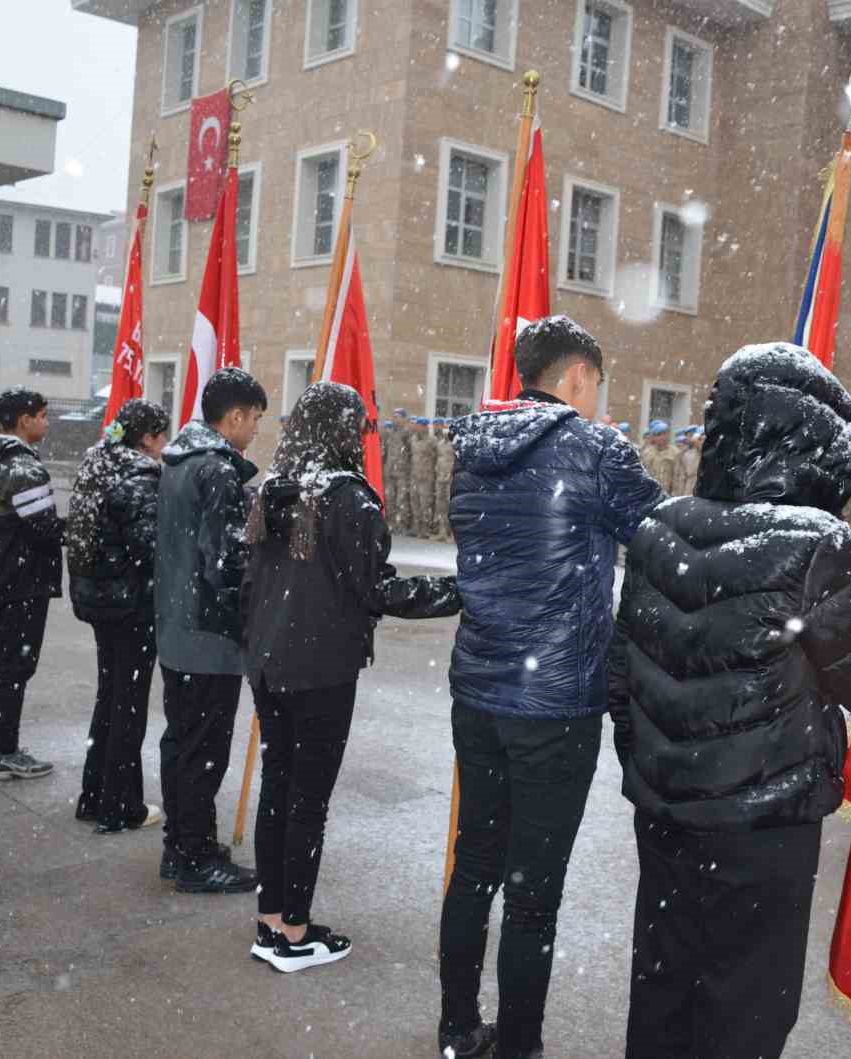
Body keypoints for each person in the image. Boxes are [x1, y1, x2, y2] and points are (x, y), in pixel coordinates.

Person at [608, 342, 851, 1059]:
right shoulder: (814, 542)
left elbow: (619, 677)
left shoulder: (659, 525)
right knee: (746, 1006)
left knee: (664, 984)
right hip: (761, 826)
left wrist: (659, 769)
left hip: (665, 814)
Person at [439, 315, 663, 1059]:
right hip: (555, 703)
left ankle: (458, 1026)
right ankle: (519, 1046)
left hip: (480, 688)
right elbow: (662, 536)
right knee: (533, 892)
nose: (598, 398)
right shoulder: (594, 449)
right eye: (596, 383)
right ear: (576, 377)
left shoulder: (472, 448)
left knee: (475, 867)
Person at [242, 382, 460, 974]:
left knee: (279, 790)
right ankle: (294, 931)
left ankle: (271, 920)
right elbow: (377, 588)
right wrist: (456, 593)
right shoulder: (346, 500)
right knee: (307, 800)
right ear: (343, 433)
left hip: (269, 664)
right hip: (319, 669)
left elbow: (245, 583)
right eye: (359, 427)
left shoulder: (268, 489)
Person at [155, 367, 267, 893]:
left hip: (176, 626)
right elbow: (226, 562)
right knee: (202, 751)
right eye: (256, 420)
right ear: (237, 416)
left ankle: (182, 844)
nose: (256, 430)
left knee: (181, 742)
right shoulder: (217, 470)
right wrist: (251, 615)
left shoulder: (178, 461)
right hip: (208, 636)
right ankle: (196, 857)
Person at [68, 399, 171, 833]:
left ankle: (94, 795)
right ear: (147, 438)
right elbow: (150, 547)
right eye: (163, 435)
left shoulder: (98, 463)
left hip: (99, 599)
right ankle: (120, 804)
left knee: (110, 697)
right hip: (130, 604)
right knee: (127, 705)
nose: (165, 445)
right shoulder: (139, 474)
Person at [0, 387, 64, 780]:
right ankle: (2, 751)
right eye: (42, 415)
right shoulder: (20, 466)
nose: (46, 422)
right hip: (21, 578)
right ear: (23, 420)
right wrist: (80, 529)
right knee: (13, 666)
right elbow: (43, 527)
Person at [382, 408, 412, 534]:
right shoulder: (389, 433)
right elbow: (385, 453)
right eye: (394, 416)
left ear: (404, 419)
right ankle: (391, 523)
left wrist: (408, 469)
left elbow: (411, 453)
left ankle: (401, 525)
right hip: (390, 471)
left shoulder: (407, 434)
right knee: (389, 499)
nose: (395, 419)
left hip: (402, 472)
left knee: (401, 500)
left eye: (398, 417)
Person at [409, 416, 437, 538]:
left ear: (425, 427)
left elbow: (437, 457)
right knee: (414, 503)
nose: (418, 427)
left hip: (426, 477)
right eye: (418, 425)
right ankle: (416, 528)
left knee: (425, 504)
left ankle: (425, 529)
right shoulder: (413, 439)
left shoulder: (432, 441)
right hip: (414, 475)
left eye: (420, 425)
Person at [639, 420, 679, 496]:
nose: (662, 437)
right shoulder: (647, 453)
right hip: (650, 493)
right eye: (658, 435)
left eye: (665, 434)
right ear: (653, 437)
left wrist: (675, 495)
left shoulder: (675, 453)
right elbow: (643, 474)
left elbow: (678, 477)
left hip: (668, 494)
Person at [433, 418, 457, 542]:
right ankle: (442, 531)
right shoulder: (440, 443)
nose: (446, 431)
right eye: (445, 428)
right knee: (440, 506)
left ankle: (452, 534)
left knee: (451, 507)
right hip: (440, 478)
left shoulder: (456, 444)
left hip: (451, 479)